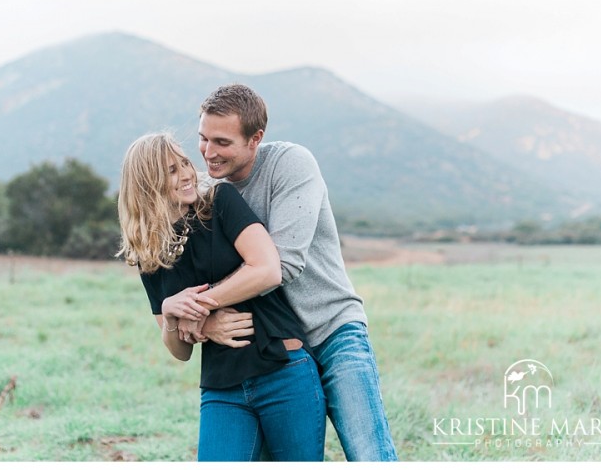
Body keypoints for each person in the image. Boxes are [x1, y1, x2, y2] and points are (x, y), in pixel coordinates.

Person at [187, 84, 398, 461]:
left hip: (332, 331)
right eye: (203, 138)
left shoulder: (290, 164)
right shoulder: (208, 193)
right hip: (273, 350)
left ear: (256, 139)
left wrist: (200, 309)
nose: (208, 152)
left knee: (370, 455)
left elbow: (280, 266)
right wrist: (191, 314)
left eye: (221, 141)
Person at [117, 133, 326, 462]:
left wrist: (199, 311)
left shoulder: (220, 202)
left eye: (185, 162)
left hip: (282, 367)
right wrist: (172, 315)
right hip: (221, 385)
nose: (187, 173)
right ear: (148, 182)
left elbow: (267, 269)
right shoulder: (150, 254)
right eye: (172, 170)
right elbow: (179, 350)